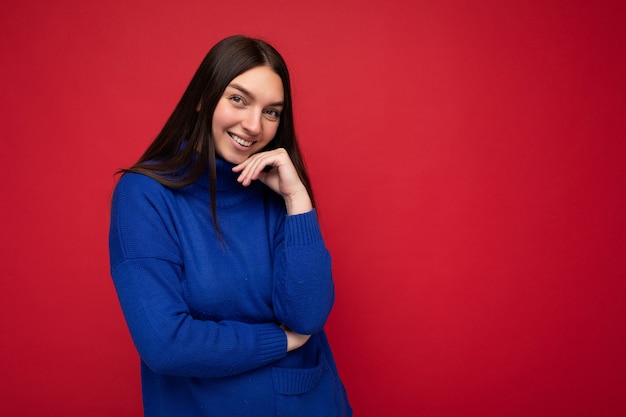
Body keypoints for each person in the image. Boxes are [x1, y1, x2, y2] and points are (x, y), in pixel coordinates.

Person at [108, 35, 352, 416]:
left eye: (272, 112)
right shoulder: (144, 196)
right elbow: (166, 345)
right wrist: (281, 341)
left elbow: (307, 317)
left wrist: (298, 201)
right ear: (204, 98)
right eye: (238, 99)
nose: (254, 125)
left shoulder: (277, 191)